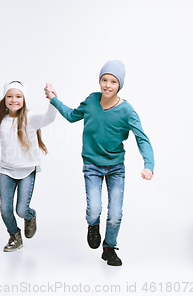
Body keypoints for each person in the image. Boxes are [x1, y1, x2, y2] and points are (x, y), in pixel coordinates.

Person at [45, 60, 154, 266]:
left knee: (115, 214)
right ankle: (93, 225)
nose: (107, 85)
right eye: (104, 80)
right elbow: (71, 116)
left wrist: (149, 164)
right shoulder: (92, 101)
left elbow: (142, 138)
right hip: (92, 165)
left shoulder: (127, 110)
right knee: (94, 209)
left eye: (113, 81)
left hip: (115, 167)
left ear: (119, 85)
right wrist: (54, 99)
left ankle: (109, 248)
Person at [0, 81, 56, 252]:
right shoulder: (1, 119)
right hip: (7, 170)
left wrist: (52, 99)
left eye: (18, 96)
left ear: (24, 99)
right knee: (5, 209)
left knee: (21, 210)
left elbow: (49, 118)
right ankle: (15, 235)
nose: (13, 100)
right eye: (9, 96)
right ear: (4, 98)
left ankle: (30, 216)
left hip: (27, 170)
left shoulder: (31, 118)